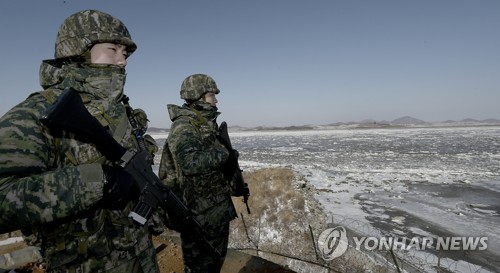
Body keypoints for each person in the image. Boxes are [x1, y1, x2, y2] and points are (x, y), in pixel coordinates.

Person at [0, 10, 161, 273]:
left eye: (125, 54)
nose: (122, 61)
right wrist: (99, 181)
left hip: (141, 259)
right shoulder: (36, 113)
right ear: (77, 50)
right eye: (113, 49)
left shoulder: (123, 112)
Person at [158, 74, 237, 272]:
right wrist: (224, 152)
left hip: (214, 211)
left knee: (214, 263)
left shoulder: (204, 124)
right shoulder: (184, 126)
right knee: (200, 267)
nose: (216, 100)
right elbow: (191, 163)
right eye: (211, 95)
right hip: (199, 216)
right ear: (198, 96)